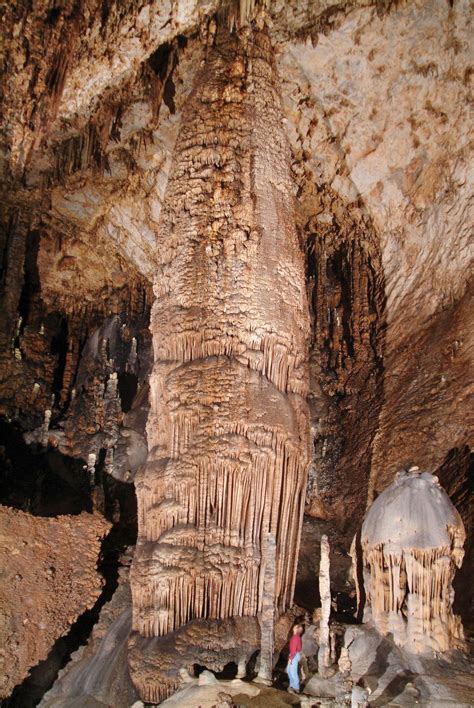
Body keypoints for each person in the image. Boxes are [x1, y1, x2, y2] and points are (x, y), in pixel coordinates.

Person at [287, 623, 303, 693]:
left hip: (294, 655)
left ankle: (296, 688)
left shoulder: (296, 637)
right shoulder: (295, 637)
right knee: (289, 670)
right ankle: (292, 685)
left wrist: (290, 658)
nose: (293, 627)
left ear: (297, 629)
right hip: (294, 654)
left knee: (293, 672)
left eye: (295, 627)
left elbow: (294, 649)